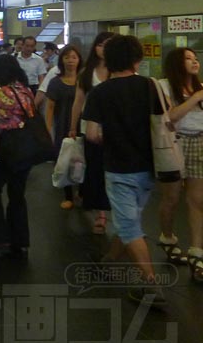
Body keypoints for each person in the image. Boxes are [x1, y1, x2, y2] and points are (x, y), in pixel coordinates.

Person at [83, 35, 166, 306]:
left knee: (129, 225)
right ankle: (108, 261)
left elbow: (93, 134)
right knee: (130, 217)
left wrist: (114, 134)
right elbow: (165, 121)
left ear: (109, 61)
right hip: (149, 166)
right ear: (137, 60)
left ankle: (152, 287)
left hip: (118, 167)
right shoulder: (151, 86)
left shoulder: (100, 93)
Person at [0, 54, 36, 258]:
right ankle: (19, 241)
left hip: (5, 152)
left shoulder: (3, 93)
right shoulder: (26, 91)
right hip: (25, 151)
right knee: (17, 196)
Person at [157, 47, 203, 273]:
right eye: (188, 58)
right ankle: (167, 237)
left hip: (199, 142)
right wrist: (196, 97)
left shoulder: (200, 88)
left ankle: (196, 250)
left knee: (197, 200)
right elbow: (170, 117)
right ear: (177, 62)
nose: (195, 62)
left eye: (196, 58)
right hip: (173, 143)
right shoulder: (164, 86)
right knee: (171, 198)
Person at [71, 32, 114, 234]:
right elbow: (78, 101)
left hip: (114, 130)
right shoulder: (87, 72)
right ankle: (101, 212)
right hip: (89, 128)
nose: (103, 48)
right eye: (100, 44)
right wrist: (72, 127)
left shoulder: (120, 71)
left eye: (108, 44)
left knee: (111, 170)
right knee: (95, 169)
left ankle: (106, 206)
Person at [45, 45, 82, 209]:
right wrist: (47, 129)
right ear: (62, 60)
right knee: (65, 160)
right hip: (63, 126)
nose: (71, 61)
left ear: (79, 60)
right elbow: (50, 107)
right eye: (67, 57)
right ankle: (68, 196)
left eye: (74, 57)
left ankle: (82, 192)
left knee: (82, 159)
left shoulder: (84, 80)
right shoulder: (55, 82)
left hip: (83, 125)